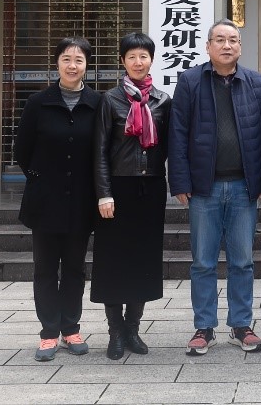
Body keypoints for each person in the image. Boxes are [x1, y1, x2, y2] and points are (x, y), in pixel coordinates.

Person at [168, 20, 261, 356]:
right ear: (208, 46)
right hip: (204, 187)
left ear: (240, 46)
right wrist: (180, 181)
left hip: (243, 186)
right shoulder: (190, 81)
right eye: (220, 40)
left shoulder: (256, 83)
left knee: (242, 261)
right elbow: (178, 133)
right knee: (203, 262)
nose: (227, 46)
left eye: (233, 40)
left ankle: (241, 325)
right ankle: (204, 327)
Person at [15, 37, 101, 362]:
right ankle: (49, 332)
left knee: (76, 268)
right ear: (57, 63)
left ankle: (71, 328)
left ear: (87, 65)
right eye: (66, 59)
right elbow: (22, 151)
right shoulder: (38, 103)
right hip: (45, 200)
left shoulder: (97, 103)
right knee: (46, 268)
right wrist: (41, 178)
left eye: (79, 60)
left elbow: (101, 152)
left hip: (81, 200)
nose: (72, 65)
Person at [91, 32, 171, 360]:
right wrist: (103, 193)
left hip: (149, 189)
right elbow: (99, 151)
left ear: (151, 60)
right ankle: (115, 331)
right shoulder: (109, 100)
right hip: (117, 189)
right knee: (113, 262)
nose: (138, 62)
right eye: (132, 57)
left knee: (142, 261)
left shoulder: (163, 101)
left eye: (143, 56)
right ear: (122, 61)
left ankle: (133, 329)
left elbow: (169, 148)